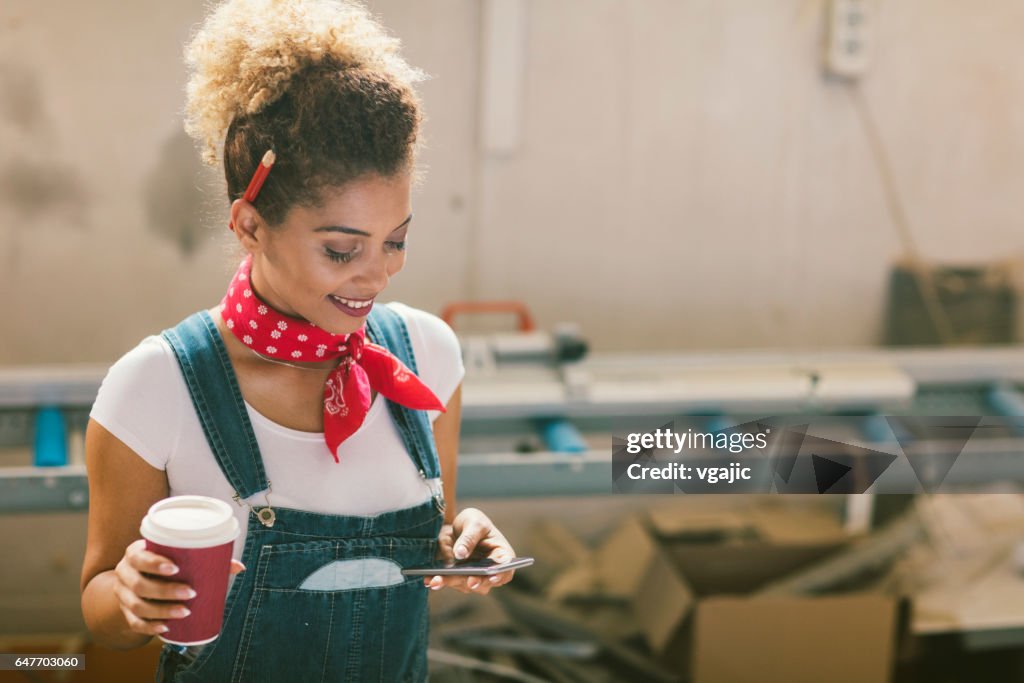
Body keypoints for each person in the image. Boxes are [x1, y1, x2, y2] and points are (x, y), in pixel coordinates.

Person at [78, 1, 518, 680]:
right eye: (342, 251)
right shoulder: (155, 386)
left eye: (396, 239)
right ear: (250, 225)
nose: (379, 272)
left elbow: (431, 534)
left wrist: (463, 542)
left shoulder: (429, 355)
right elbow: (99, 606)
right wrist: (131, 596)